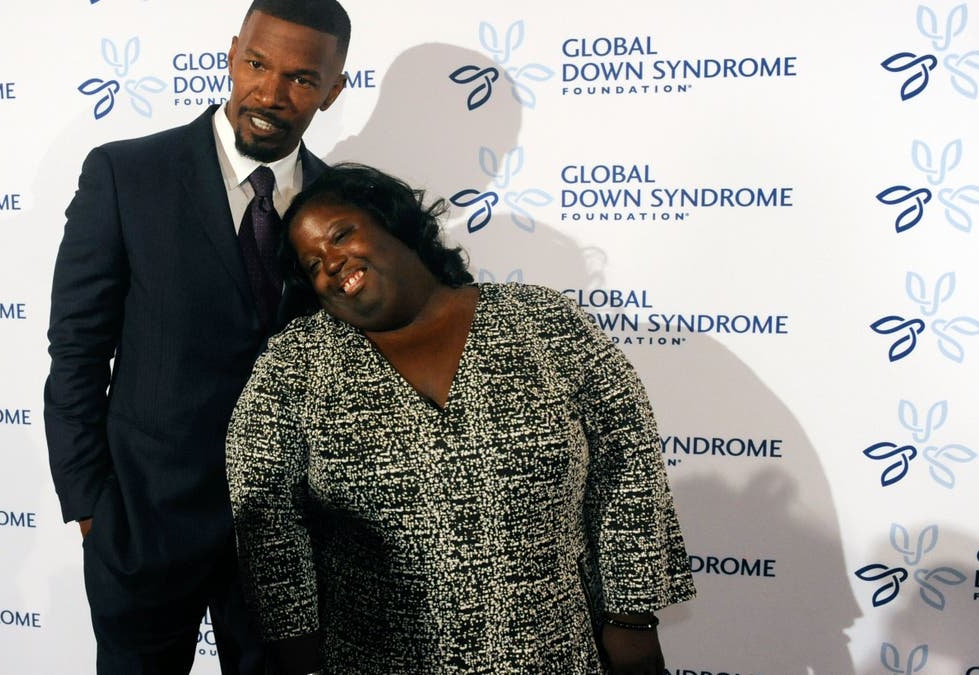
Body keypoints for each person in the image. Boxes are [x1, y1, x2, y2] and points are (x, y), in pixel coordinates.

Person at [226, 164, 696, 675]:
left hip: (552, 652)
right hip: (375, 660)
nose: (331, 263)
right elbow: (265, 513)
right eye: (312, 264)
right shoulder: (296, 363)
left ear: (396, 225)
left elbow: (627, 463)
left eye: (341, 235)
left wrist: (631, 616)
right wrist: (298, 647)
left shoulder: (542, 321)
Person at [43, 2, 351, 673]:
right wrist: (93, 507)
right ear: (233, 52)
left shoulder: (344, 206)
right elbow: (76, 350)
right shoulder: (127, 176)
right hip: (144, 524)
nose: (270, 94)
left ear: (334, 89)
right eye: (257, 64)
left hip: (289, 540)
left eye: (302, 79)